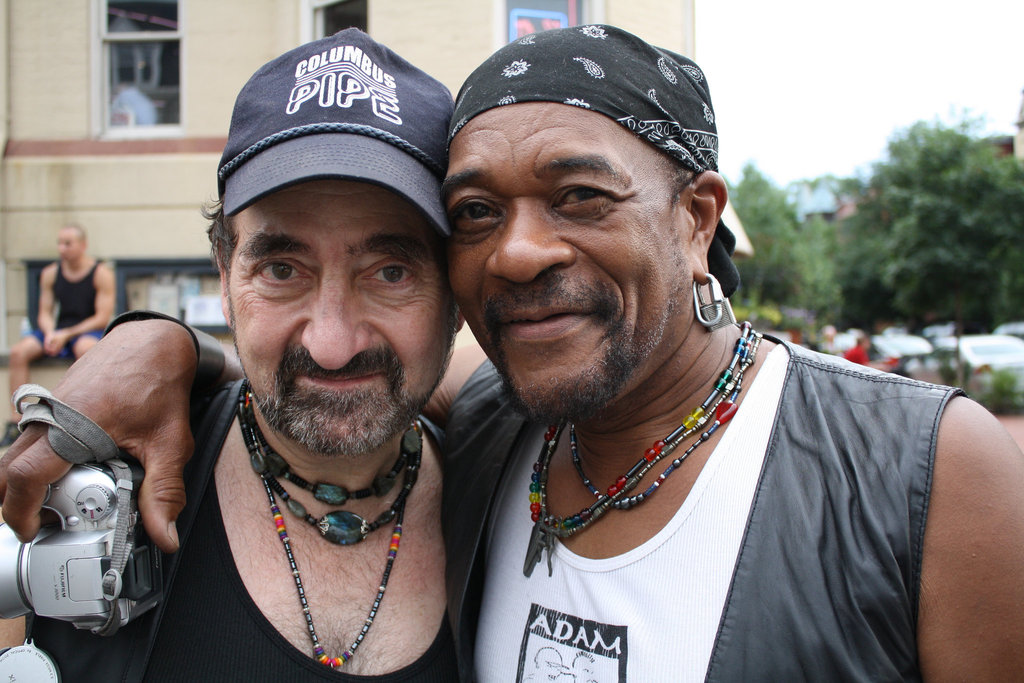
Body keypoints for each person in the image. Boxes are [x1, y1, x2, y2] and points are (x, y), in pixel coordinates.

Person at [4, 25, 1024, 682]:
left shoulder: (926, 474)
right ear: (224, 266)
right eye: (480, 212)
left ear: (698, 216)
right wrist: (158, 348)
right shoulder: (498, 431)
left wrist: (160, 347)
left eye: (580, 194)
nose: (524, 248)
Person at [0, 29, 461, 680]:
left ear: (458, 289)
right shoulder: (78, 502)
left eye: (391, 272)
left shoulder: (505, 487)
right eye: (281, 267)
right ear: (224, 271)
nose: (331, 343)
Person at [1, 224, 114, 447]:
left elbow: (102, 317)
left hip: (85, 330)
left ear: (83, 245)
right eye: (59, 243)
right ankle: (17, 422)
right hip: (59, 329)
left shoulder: (101, 274)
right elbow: (44, 312)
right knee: (18, 352)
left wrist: (66, 334)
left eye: (68, 243)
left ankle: (85, 417)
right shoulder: (50, 273)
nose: (62, 249)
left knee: (86, 350)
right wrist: (51, 332)